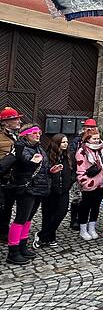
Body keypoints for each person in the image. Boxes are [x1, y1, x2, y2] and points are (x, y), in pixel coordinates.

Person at [6, 125, 50, 265]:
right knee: (20, 218)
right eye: (34, 133)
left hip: (38, 187)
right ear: (26, 135)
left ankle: (22, 246)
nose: (38, 135)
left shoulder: (39, 147)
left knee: (29, 218)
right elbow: (24, 163)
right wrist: (32, 161)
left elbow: (44, 166)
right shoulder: (21, 147)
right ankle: (13, 251)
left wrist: (51, 170)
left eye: (39, 132)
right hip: (26, 188)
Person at [37, 133, 73, 247]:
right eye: (63, 142)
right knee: (48, 214)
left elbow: (73, 171)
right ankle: (49, 238)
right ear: (56, 143)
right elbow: (43, 172)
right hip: (51, 190)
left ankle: (42, 235)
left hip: (64, 190)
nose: (65, 144)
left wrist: (69, 182)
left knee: (61, 212)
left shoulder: (68, 156)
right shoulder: (48, 156)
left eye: (66, 142)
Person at [75, 130, 103, 241]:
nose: (97, 140)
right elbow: (80, 169)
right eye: (94, 138)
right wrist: (85, 182)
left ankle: (92, 227)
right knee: (85, 207)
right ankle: (83, 229)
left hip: (101, 183)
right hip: (89, 184)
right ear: (87, 139)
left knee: (96, 207)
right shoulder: (82, 151)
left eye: (98, 138)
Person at [0, 107, 22, 243]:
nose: (19, 121)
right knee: (2, 208)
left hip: (13, 180)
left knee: (8, 208)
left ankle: (3, 233)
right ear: (5, 123)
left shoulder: (17, 136)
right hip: (2, 179)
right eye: (15, 119)